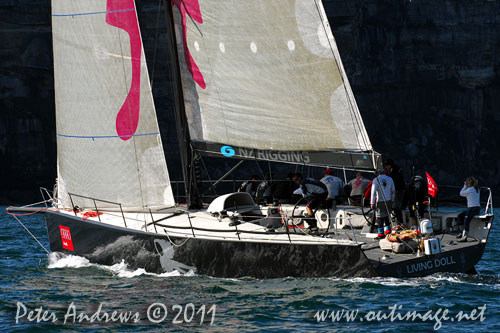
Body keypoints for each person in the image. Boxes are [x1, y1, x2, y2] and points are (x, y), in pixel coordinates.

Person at [370, 169, 395, 238]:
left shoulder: (376, 180)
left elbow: (373, 192)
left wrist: (372, 203)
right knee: (386, 214)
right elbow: (393, 191)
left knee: (379, 217)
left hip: (380, 201)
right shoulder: (390, 179)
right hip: (389, 200)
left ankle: (380, 233)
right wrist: (392, 200)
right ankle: (388, 230)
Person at [457, 177, 480, 242]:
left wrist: (464, 186)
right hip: (474, 208)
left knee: (466, 221)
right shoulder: (475, 189)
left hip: (473, 208)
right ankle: (462, 233)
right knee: (460, 216)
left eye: (466, 182)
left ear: (468, 183)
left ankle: (465, 237)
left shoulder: (471, 189)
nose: (465, 183)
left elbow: (461, 193)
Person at [385, 159, 405, 225]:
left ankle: (400, 223)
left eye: (387, 165)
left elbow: (393, 181)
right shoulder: (397, 169)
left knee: (396, 207)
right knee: (397, 206)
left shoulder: (393, 171)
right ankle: (399, 222)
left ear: (389, 165)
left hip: (397, 190)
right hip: (401, 189)